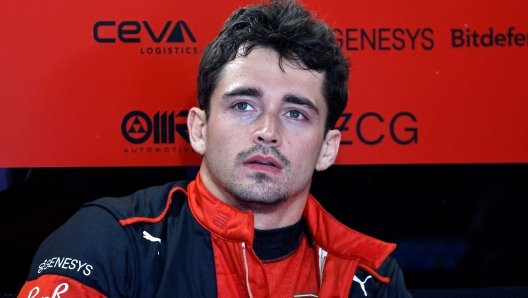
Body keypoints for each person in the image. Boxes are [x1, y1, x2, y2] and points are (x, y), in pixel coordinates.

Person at [18, 0, 412, 297]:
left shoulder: (370, 277)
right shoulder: (109, 240)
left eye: (295, 113)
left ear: (328, 149)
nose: (267, 131)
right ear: (199, 129)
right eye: (244, 106)